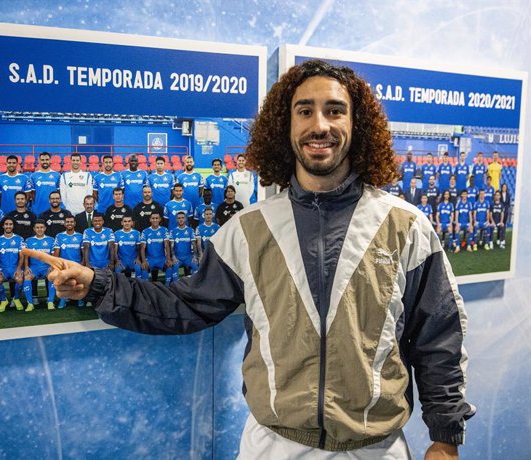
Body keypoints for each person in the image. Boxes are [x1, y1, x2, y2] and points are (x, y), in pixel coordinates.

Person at [39, 59, 473, 458]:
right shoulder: (249, 229)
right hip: (275, 445)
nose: (319, 124)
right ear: (285, 127)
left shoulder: (405, 226)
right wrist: (97, 283)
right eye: (305, 111)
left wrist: (445, 437)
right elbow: (184, 305)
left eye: (334, 110)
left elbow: (438, 337)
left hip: (376, 449)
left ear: (358, 124)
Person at [0, 217, 28, 313]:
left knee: (19, 278)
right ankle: (3, 300)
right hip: (2, 268)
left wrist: (18, 269)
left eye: (10, 224)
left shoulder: (19, 239)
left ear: (13, 226)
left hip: (14, 268)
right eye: (6, 224)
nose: (8, 226)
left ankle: (16, 299)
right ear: (3, 226)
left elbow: (22, 256)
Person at [24, 220, 56, 310]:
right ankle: (30, 304)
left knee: (52, 276)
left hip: (46, 267)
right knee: (26, 277)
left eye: (41, 227)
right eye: (37, 227)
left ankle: (50, 302)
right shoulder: (29, 240)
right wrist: (26, 267)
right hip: (34, 267)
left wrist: (52, 266)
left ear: (45, 228)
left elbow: (53, 256)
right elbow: (26, 256)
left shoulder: (51, 240)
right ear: (34, 229)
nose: (39, 229)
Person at [53, 216, 84, 308]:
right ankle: (63, 300)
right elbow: (57, 252)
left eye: (71, 222)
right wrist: (55, 265)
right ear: (64, 223)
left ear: (74, 223)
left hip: (77, 265)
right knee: (63, 282)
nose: (69, 224)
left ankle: (80, 299)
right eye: (67, 222)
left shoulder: (80, 236)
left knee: (79, 282)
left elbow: (83, 251)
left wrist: (83, 263)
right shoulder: (59, 236)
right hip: (64, 266)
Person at [138, 211, 174, 284]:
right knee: (144, 268)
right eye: (153, 218)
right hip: (150, 258)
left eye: (157, 218)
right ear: (150, 219)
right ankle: (147, 289)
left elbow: (167, 245)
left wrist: (168, 259)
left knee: (169, 266)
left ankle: (167, 288)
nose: (155, 220)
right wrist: (144, 261)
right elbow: (142, 248)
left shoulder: (164, 230)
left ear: (160, 219)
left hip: (161, 258)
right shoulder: (145, 231)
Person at [169, 212, 199, 283]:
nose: (181, 219)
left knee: (195, 265)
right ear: (176, 220)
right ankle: (176, 287)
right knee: (175, 267)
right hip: (177, 258)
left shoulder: (190, 230)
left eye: (182, 218)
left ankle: (194, 286)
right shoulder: (173, 231)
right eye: (179, 218)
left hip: (188, 257)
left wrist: (195, 256)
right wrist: (173, 256)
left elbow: (194, 244)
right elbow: (171, 246)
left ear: (185, 219)